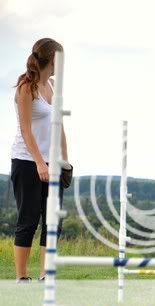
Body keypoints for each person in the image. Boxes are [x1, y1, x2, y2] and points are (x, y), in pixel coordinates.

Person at [11, 38, 67, 282]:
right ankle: (22, 277)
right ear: (51, 59)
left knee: (52, 220)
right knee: (29, 219)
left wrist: (65, 160)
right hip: (26, 161)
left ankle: (45, 275)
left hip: (51, 162)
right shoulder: (26, 87)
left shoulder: (52, 85)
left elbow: (59, 125)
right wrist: (39, 163)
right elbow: (26, 130)